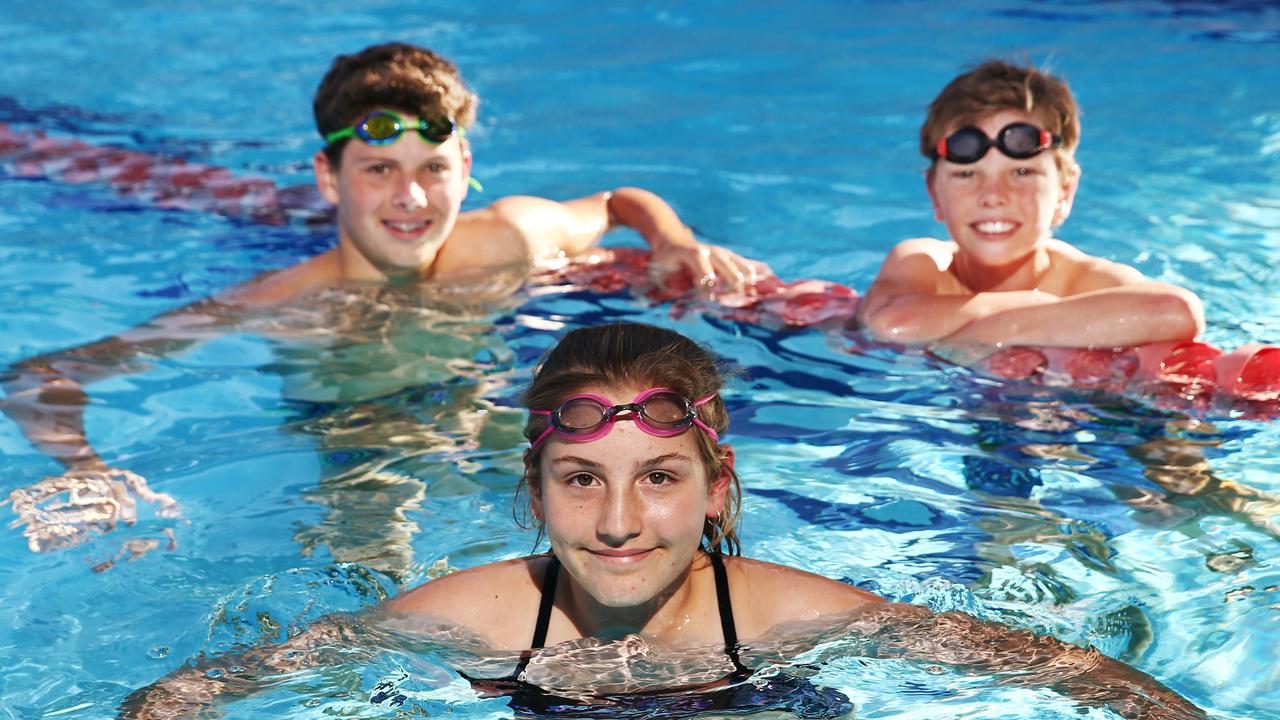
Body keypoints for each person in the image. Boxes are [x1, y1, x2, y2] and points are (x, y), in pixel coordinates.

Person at [121, 323, 1203, 720]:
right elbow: (195, 693)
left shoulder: (784, 614)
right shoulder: (477, 616)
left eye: (660, 478)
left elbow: (1078, 677)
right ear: (532, 494)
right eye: (580, 479)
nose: (619, 520)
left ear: (716, 488)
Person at [0, 42, 769, 562]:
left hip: (486, 407)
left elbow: (613, 201)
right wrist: (89, 472)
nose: (410, 198)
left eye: (432, 167)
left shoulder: (504, 235)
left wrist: (669, 238)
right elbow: (40, 376)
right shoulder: (284, 301)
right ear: (329, 178)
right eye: (377, 170)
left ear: (465, 164)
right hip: (363, 436)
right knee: (374, 572)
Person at [856, 59, 1204, 354]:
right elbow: (894, 323)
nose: (993, 195)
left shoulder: (1088, 281)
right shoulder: (924, 263)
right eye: (966, 174)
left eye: (1021, 172)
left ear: (1065, 191)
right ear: (934, 195)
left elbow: (1176, 312)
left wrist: (978, 339)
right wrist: (1035, 307)